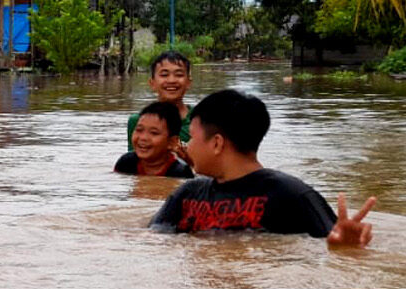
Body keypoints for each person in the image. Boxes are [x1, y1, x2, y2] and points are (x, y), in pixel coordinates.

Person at [150, 89, 376, 246]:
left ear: (217, 143)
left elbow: (330, 244)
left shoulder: (291, 195)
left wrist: (346, 250)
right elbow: (149, 238)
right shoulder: (187, 194)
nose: (186, 146)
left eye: (190, 137)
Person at [127, 51, 194, 161]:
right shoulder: (138, 121)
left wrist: (190, 161)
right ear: (152, 83)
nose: (171, 80)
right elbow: (134, 167)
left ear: (188, 83)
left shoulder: (202, 121)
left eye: (179, 75)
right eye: (164, 75)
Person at [115, 102, 195, 178]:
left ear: (172, 142)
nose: (143, 138)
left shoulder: (180, 172)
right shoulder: (126, 163)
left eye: (154, 133)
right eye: (139, 130)